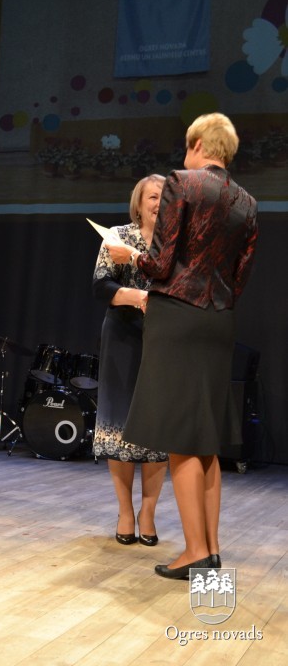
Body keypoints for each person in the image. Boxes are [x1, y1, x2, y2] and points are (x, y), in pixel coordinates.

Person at [106, 113, 258, 579]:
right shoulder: (248, 202)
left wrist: (131, 256)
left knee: (180, 438)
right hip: (219, 320)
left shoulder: (181, 182)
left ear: (195, 144)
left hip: (177, 316)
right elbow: (240, 275)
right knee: (205, 440)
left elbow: (162, 261)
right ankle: (209, 549)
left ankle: (195, 552)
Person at [93, 175, 169, 547]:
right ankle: (125, 511)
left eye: (165, 196)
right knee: (119, 427)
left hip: (165, 341)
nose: (159, 202)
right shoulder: (118, 236)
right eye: (152, 196)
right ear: (138, 203)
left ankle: (148, 513)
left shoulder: (178, 240)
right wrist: (137, 297)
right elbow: (101, 285)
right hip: (123, 335)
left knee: (157, 429)